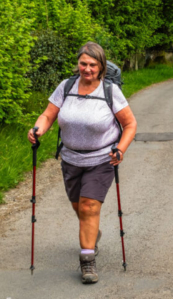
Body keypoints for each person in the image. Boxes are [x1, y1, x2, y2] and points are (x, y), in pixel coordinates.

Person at [28, 42, 137, 284]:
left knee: (89, 206)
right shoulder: (66, 87)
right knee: (80, 208)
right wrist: (38, 129)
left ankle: (87, 262)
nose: (87, 69)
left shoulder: (110, 91)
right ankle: (92, 232)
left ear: (101, 67)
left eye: (93, 65)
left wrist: (120, 149)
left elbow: (130, 124)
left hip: (102, 158)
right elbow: (48, 114)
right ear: (78, 64)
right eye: (83, 64)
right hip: (70, 158)